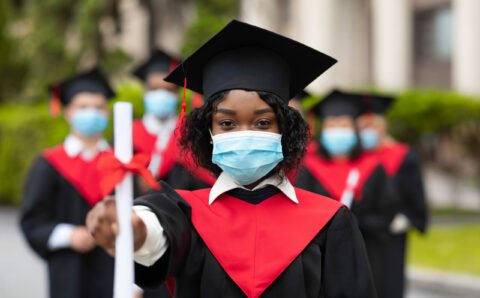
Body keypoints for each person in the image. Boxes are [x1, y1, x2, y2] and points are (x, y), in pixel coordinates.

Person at [86, 20, 377, 298]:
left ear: (284, 130)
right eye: (227, 124)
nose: (245, 134)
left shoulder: (330, 221)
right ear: (207, 132)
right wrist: (137, 229)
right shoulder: (186, 212)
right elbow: (157, 230)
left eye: (263, 123)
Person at [20, 68, 116, 298]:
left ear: (107, 112)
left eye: (98, 107)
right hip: (69, 272)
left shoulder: (122, 163)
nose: (92, 113)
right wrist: (67, 235)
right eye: (83, 107)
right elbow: (32, 221)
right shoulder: (49, 164)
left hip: (116, 271)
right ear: (68, 112)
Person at [294, 89, 398, 295]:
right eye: (332, 125)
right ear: (323, 130)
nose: (338, 130)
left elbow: (388, 211)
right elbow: (298, 210)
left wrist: (362, 224)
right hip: (319, 254)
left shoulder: (373, 167)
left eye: (344, 125)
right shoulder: (308, 168)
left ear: (354, 130)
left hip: (366, 252)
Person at [357, 94, 428, 298]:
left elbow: (415, 191)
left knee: (390, 281)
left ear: (383, 127)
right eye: (363, 128)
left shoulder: (402, 154)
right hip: (362, 230)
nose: (368, 132)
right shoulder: (355, 157)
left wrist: (408, 217)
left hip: (391, 232)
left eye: (373, 127)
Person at [133, 49, 215, 193]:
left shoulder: (192, 132)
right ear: (145, 92)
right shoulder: (129, 133)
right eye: (154, 89)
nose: (161, 95)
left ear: (178, 94)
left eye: (168, 90)